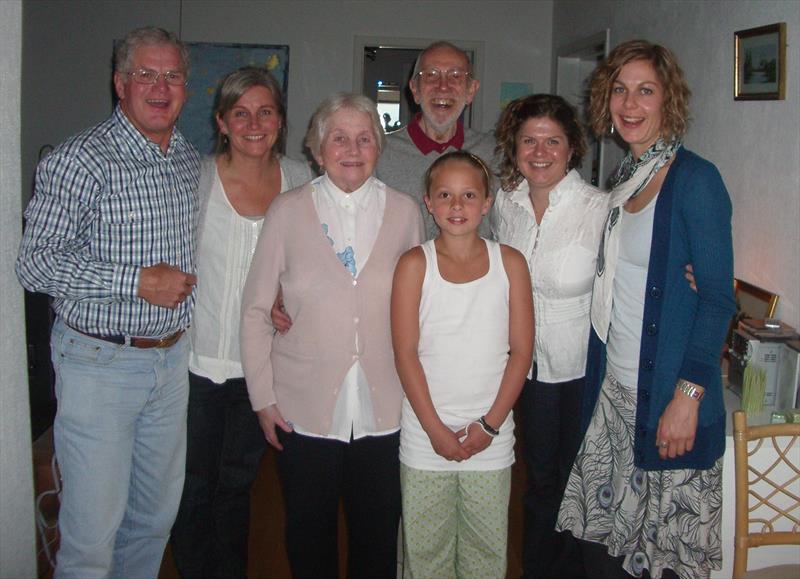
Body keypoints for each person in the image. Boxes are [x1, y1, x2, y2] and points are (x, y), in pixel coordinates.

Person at [15, 27, 199, 578]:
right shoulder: (80, 160)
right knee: (92, 539)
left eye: (172, 76)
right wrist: (136, 281)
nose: (159, 87)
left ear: (186, 88)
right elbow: (34, 264)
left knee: (153, 521)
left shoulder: (187, 159)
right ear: (120, 84)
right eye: (145, 74)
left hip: (171, 363)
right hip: (100, 366)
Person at [556, 40, 735, 579]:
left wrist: (688, 397)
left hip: (665, 400)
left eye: (645, 91)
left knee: (658, 562)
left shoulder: (695, 180)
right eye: (619, 89)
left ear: (668, 100)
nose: (629, 104)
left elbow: (719, 299)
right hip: (616, 393)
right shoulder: (627, 178)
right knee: (602, 553)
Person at [240, 93, 424, 579]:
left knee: (377, 533)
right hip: (302, 407)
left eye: (365, 138)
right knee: (307, 532)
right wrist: (262, 399)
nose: (352, 148)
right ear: (317, 150)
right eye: (338, 138)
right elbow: (257, 308)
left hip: (385, 407)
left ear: (379, 149)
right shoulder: (286, 210)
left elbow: (421, 310)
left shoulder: (405, 212)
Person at [169, 67, 312, 579]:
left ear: (280, 121)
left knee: (237, 485)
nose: (254, 123)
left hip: (261, 368)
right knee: (192, 487)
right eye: (241, 113)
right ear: (222, 122)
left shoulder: (301, 182)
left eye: (266, 111)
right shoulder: (195, 177)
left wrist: (287, 297)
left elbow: (311, 265)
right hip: (197, 362)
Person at [392, 151, 534, 578]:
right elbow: (405, 354)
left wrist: (489, 426)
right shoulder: (414, 264)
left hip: (490, 442)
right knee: (426, 556)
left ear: (487, 203)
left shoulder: (510, 263)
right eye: (446, 195)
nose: (457, 206)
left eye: (469, 194)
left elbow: (521, 353)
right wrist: (436, 432)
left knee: (485, 556)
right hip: (424, 442)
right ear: (428, 202)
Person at [490, 94, 609, 579]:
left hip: (582, 368)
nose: (540, 152)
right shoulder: (503, 204)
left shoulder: (600, 207)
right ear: (514, 146)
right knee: (538, 478)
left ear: (572, 147)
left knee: (576, 479)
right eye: (529, 141)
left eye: (552, 141)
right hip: (523, 367)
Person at [376, 41, 495, 240]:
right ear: (415, 89)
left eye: (455, 76)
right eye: (431, 75)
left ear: (471, 91)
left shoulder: (494, 154)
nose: (443, 86)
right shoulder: (380, 154)